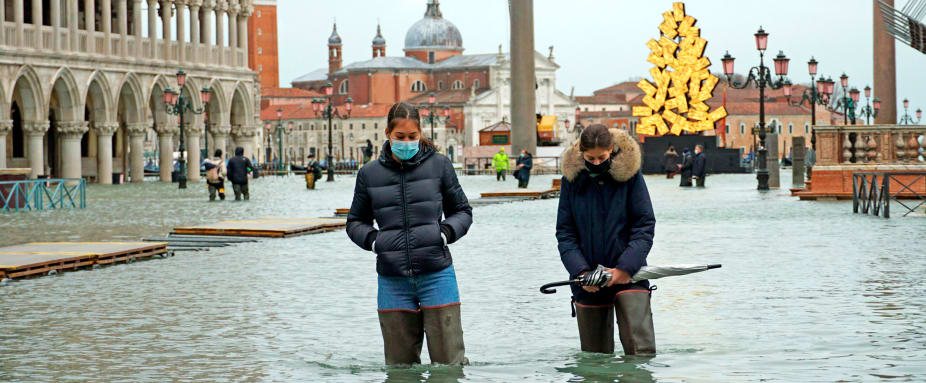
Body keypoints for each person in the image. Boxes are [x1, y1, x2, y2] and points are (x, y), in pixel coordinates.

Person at [346, 102, 473, 366]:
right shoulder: (368, 174)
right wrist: (374, 241)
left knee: (449, 364)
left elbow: (462, 212)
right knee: (399, 369)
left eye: (412, 137)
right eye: (400, 137)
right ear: (387, 134)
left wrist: (445, 233)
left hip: (437, 275)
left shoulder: (440, 165)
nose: (406, 142)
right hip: (392, 280)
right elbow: (355, 221)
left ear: (420, 134)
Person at [556, 124, 656, 355]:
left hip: (631, 276)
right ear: (581, 153)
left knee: (641, 352)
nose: (597, 163)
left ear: (611, 149)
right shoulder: (571, 180)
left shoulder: (631, 177)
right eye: (591, 158)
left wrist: (625, 268)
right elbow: (565, 233)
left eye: (602, 157)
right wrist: (581, 273)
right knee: (594, 358)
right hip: (586, 279)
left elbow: (644, 226)